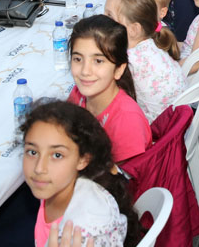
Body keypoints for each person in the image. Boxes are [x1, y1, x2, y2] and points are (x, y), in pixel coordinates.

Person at [21, 101, 139, 247]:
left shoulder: (84, 235)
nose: (39, 168)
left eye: (57, 155)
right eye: (32, 152)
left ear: (83, 160)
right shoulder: (56, 186)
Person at [67, 15, 151, 164]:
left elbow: (121, 183)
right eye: (78, 59)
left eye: (98, 61)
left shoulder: (127, 121)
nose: (85, 71)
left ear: (119, 69)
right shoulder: (78, 94)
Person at [104, 0, 184, 123]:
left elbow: (104, 99)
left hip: (154, 131)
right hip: (173, 121)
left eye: (110, 16)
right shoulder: (151, 45)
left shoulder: (129, 60)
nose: (102, 20)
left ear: (134, 29)